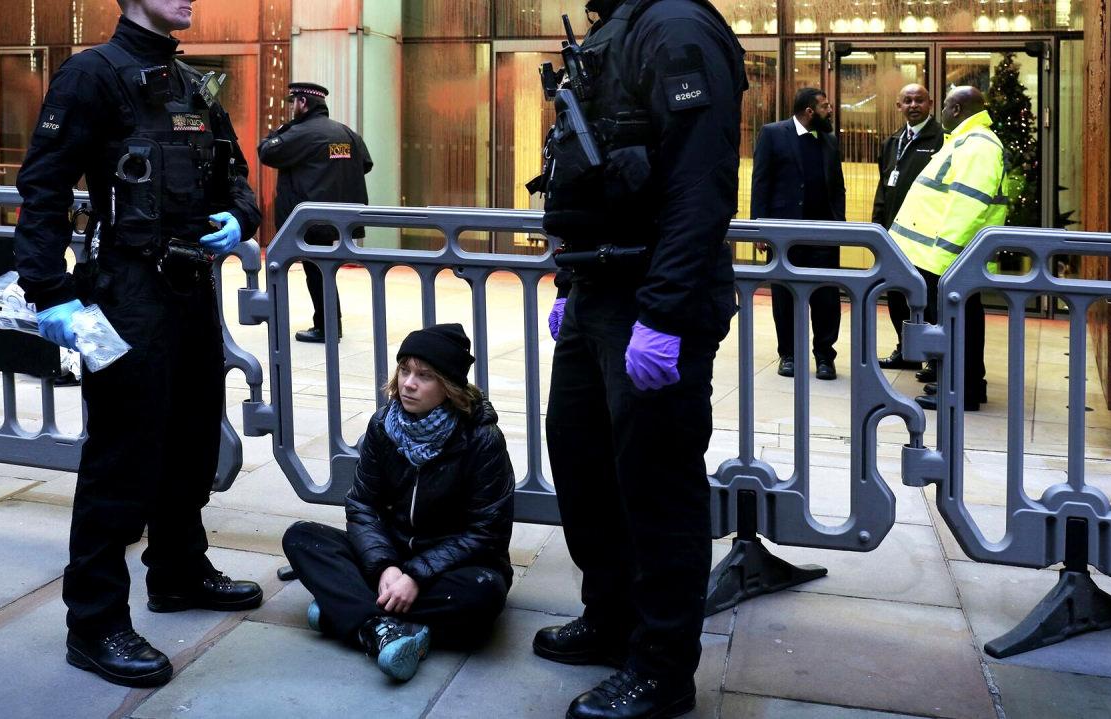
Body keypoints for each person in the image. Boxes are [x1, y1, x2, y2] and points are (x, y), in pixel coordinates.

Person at [13, 0, 264, 688]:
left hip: (190, 288)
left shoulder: (190, 84)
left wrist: (238, 216)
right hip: (127, 291)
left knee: (191, 439)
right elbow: (43, 187)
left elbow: (236, 177)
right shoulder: (91, 74)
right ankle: (94, 623)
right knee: (122, 458)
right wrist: (49, 289)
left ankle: (178, 572)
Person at [534, 1, 747, 717]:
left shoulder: (675, 27)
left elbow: (699, 186)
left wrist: (661, 316)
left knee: (656, 488)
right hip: (597, 288)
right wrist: (572, 286)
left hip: (651, 298)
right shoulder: (615, 29)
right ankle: (612, 618)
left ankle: (661, 669)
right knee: (583, 466)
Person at [282, 323, 513, 682]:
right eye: (404, 370)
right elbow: (362, 506)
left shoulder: (481, 438)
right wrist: (386, 568)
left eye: (425, 375)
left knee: (483, 593)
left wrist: (416, 576)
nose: (408, 383)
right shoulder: (383, 425)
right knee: (302, 537)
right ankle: (382, 627)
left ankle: (348, 613)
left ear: (449, 386)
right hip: (390, 555)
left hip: (450, 568)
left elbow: (487, 532)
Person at [890, 86, 1007, 412]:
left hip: (947, 257)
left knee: (959, 324)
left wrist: (947, 256)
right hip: (945, 256)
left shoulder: (978, 144)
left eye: (943, 105)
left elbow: (968, 204)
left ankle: (962, 390)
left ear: (956, 109)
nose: (940, 111)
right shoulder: (967, 141)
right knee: (962, 322)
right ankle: (965, 384)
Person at [258, 82, 372, 344]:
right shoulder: (346, 132)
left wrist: (283, 129)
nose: (292, 108)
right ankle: (329, 323)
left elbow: (266, 151)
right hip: (340, 217)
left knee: (316, 271)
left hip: (310, 219)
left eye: (293, 102)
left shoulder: (300, 133)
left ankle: (327, 327)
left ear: (303, 102)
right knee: (323, 269)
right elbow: (364, 164)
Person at [750, 87, 847, 380]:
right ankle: (789, 355)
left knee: (826, 298)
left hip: (824, 234)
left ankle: (825, 357)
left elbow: (837, 187)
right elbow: (761, 182)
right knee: (784, 295)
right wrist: (760, 228)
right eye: (825, 106)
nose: (830, 111)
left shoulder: (829, 140)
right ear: (809, 111)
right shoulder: (773, 134)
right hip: (785, 233)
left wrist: (840, 225)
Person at [873, 83, 944, 373]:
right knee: (896, 295)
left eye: (919, 100)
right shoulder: (893, 141)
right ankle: (907, 350)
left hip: (927, 237)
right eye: (908, 101)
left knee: (928, 298)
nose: (913, 105)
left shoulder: (942, 139)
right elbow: (883, 187)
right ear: (898, 106)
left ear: (931, 103)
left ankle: (933, 357)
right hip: (894, 236)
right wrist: (877, 228)